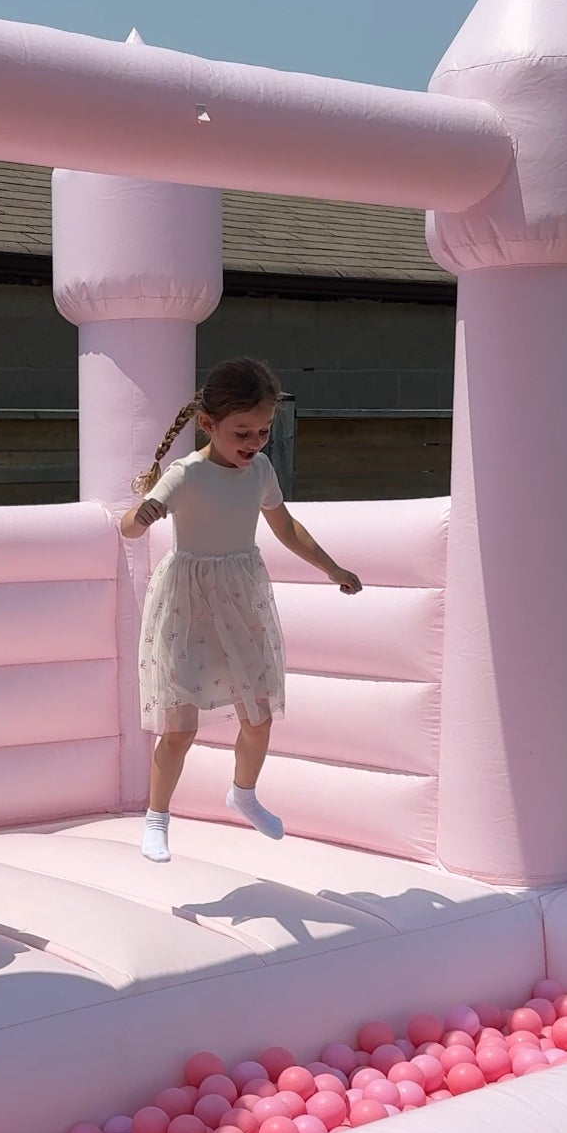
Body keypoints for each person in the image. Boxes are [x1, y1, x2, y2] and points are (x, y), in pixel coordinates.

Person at [119, 357, 361, 863]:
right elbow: (131, 527)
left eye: (263, 431)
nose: (253, 443)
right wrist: (139, 516)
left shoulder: (261, 471)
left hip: (239, 594)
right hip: (187, 600)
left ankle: (243, 794)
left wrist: (332, 569)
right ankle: (157, 817)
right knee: (179, 727)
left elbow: (285, 527)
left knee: (259, 715)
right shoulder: (186, 474)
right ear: (207, 424)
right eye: (242, 433)